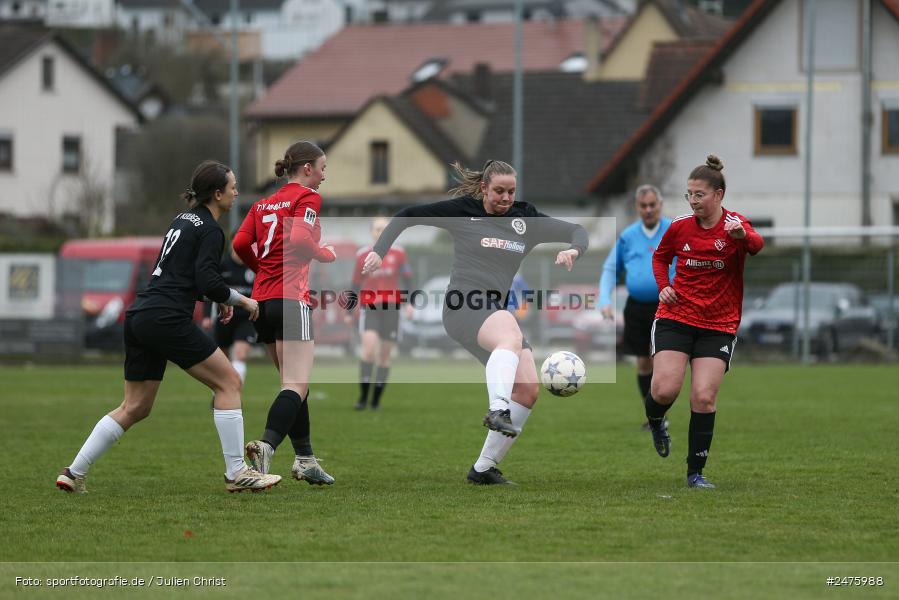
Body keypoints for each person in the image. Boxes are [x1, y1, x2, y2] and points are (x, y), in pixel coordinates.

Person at [56, 160, 281, 494]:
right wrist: (242, 301)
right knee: (229, 382)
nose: (236, 192)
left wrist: (216, 297)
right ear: (217, 194)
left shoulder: (181, 220)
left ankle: (73, 473)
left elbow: (189, 280)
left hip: (142, 314)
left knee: (136, 406)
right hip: (167, 317)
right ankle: (237, 472)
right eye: (232, 187)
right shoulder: (210, 229)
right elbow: (207, 279)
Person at [362, 160, 588, 485]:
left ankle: (483, 468)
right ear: (483, 188)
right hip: (462, 304)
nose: (505, 197)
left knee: (526, 390)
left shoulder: (526, 220)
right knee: (509, 333)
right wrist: (380, 251)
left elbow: (575, 231)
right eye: (498, 191)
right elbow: (406, 216)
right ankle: (497, 409)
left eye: (511, 191)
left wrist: (574, 251)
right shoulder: (463, 211)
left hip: (491, 310)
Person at [644, 155, 764, 489]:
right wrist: (664, 286)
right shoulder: (680, 226)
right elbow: (660, 257)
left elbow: (757, 245)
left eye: (700, 194)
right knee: (665, 389)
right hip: (676, 318)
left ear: (719, 195)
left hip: (719, 324)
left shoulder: (736, 224)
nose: (694, 200)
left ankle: (695, 474)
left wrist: (741, 236)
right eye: (689, 194)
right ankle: (655, 418)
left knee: (704, 397)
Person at [232, 140, 336, 486]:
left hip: (262, 303)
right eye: (322, 168)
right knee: (296, 384)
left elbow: (238, 244)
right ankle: (266, 445)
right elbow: (301, 242)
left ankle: (305, 459)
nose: (323, 176)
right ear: (307, 169)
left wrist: (260, 269)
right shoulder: (307, 197)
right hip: (292, 299)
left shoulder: (262, 204)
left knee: (293, 385)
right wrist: (323, 254)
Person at [598, 185, 673, 430]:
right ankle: (655, 418)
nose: (649, 210)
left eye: (653, 205)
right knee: (644, 363)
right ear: (637, 208)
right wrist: (604, 301)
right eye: (644, 206)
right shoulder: (628, 236)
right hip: (638, 308)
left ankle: (663, 412)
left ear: (660, 205)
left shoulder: (674, 231)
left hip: (669, 307)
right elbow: (611, 269)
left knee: (665, 363)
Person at [349, 217, 412, 411]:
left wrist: (410, 303)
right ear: (371, 232)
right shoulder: (363, 255)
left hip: (392, 308)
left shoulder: (399, 253)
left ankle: (376, 401)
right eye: (377, 229)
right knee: (368, 350)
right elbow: (355, 284)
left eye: (384, 229)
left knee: (385, 356)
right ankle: (362, 398)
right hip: (371, 307)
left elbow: (408, 280)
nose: (380, 233)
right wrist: (349, 310)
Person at [203, 241, 257, 383]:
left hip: (247, 318)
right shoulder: (222, 265)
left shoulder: (254, 264)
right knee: (223, 359)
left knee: (240, 354)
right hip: (224, 317)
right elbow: (210, 290)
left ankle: (235, 390)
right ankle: (220, 393)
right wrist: (207, 316)